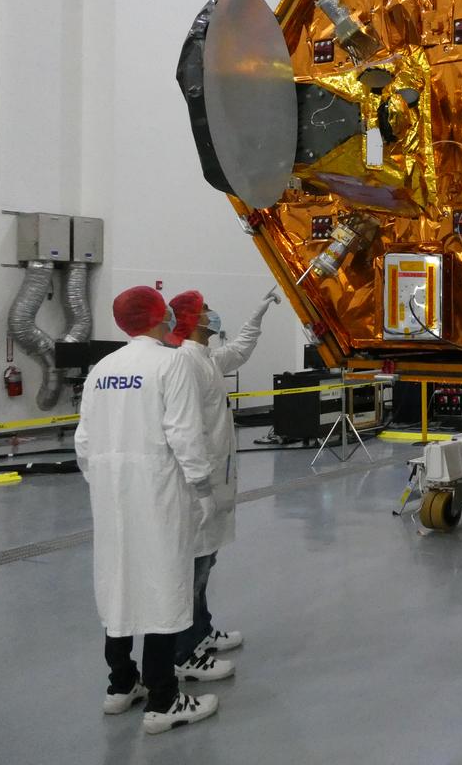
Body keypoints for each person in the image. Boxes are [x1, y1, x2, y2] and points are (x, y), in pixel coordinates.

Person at [73, 286, 220, 734]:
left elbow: (82, 440)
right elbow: (184, 434)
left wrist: (104, 478)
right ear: (161, 317)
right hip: (160, 488)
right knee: (163, 584)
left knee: (117, 579)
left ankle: (121, 685)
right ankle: (163, 699)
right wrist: (204, 488)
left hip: (111, 491)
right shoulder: (169, 362)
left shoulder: (103, 368)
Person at [167, 288, 279, 679]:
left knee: (206, 560)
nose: (214, 315)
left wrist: (259, 312)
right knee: (193, 568)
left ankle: (201, 631)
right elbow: (184, 430)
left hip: (216, 478)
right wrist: (199, 485)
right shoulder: (185, 362)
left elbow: (240, 350)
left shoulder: (207, 357)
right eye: (207, 310)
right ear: (193, 320)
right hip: (199, 482)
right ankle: (186, 653)